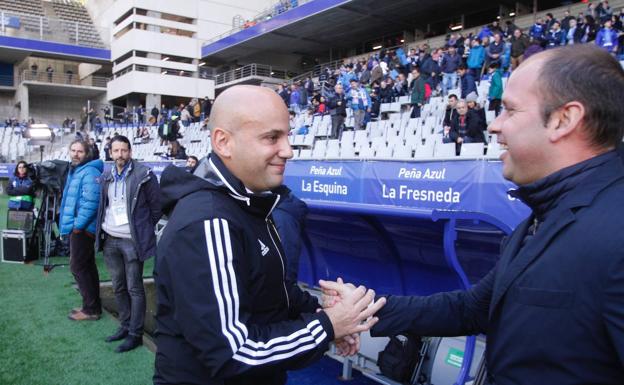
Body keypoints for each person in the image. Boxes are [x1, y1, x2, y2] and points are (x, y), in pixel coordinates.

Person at [322, 45, 624, 385]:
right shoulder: (540, 219)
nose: (495, 125)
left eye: (509, 111)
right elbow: (471, 308)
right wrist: (364, 309)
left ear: (563, 119)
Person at [153, 85, 385, 385]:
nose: (288, 150)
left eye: (288, 136)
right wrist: (328, 325)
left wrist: (322, 311)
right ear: (223, 142)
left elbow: (273, 295)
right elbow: (235, 354)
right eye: (272, 137)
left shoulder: (251, 204)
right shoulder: (210, 222)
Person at [95, 135, 161, 353]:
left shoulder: (144, 174)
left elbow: (156, 208)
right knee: (118, 286)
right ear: (111, 153)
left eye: (124, 150)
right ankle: (124, 326)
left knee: (134, 288)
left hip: (132, 241)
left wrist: (141, 231)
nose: (120, 155)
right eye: (116, 151)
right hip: (110, 239)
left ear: (130, 151)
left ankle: (135, 333)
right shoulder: (106, 176)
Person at [59, 140, 103, 321]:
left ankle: (91, 310)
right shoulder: (77, 170)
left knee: (78, 267)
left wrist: (77, 226)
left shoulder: (90, 171)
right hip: (80, 228)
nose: (76, 154)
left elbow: (91, 203)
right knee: (87, 266)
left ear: (87, 154)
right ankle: (92, 306)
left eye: (80, 151)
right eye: (73, 150)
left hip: (83, 229)